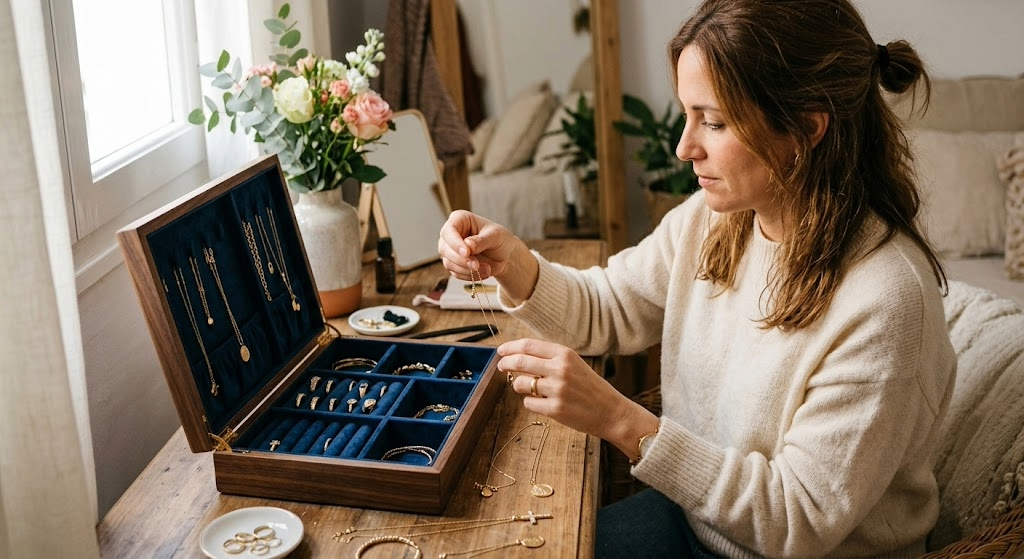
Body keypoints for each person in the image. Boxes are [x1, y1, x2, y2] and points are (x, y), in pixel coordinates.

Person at [437, 0, 956, 556]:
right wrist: (514, 264)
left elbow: (797, 520)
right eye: (687, 114)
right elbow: (607, 307)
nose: (685, 148)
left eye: (714, 122)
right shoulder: (715, 220)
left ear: (806, 128)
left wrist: (618, 419)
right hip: (694, 518)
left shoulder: (886, 298)